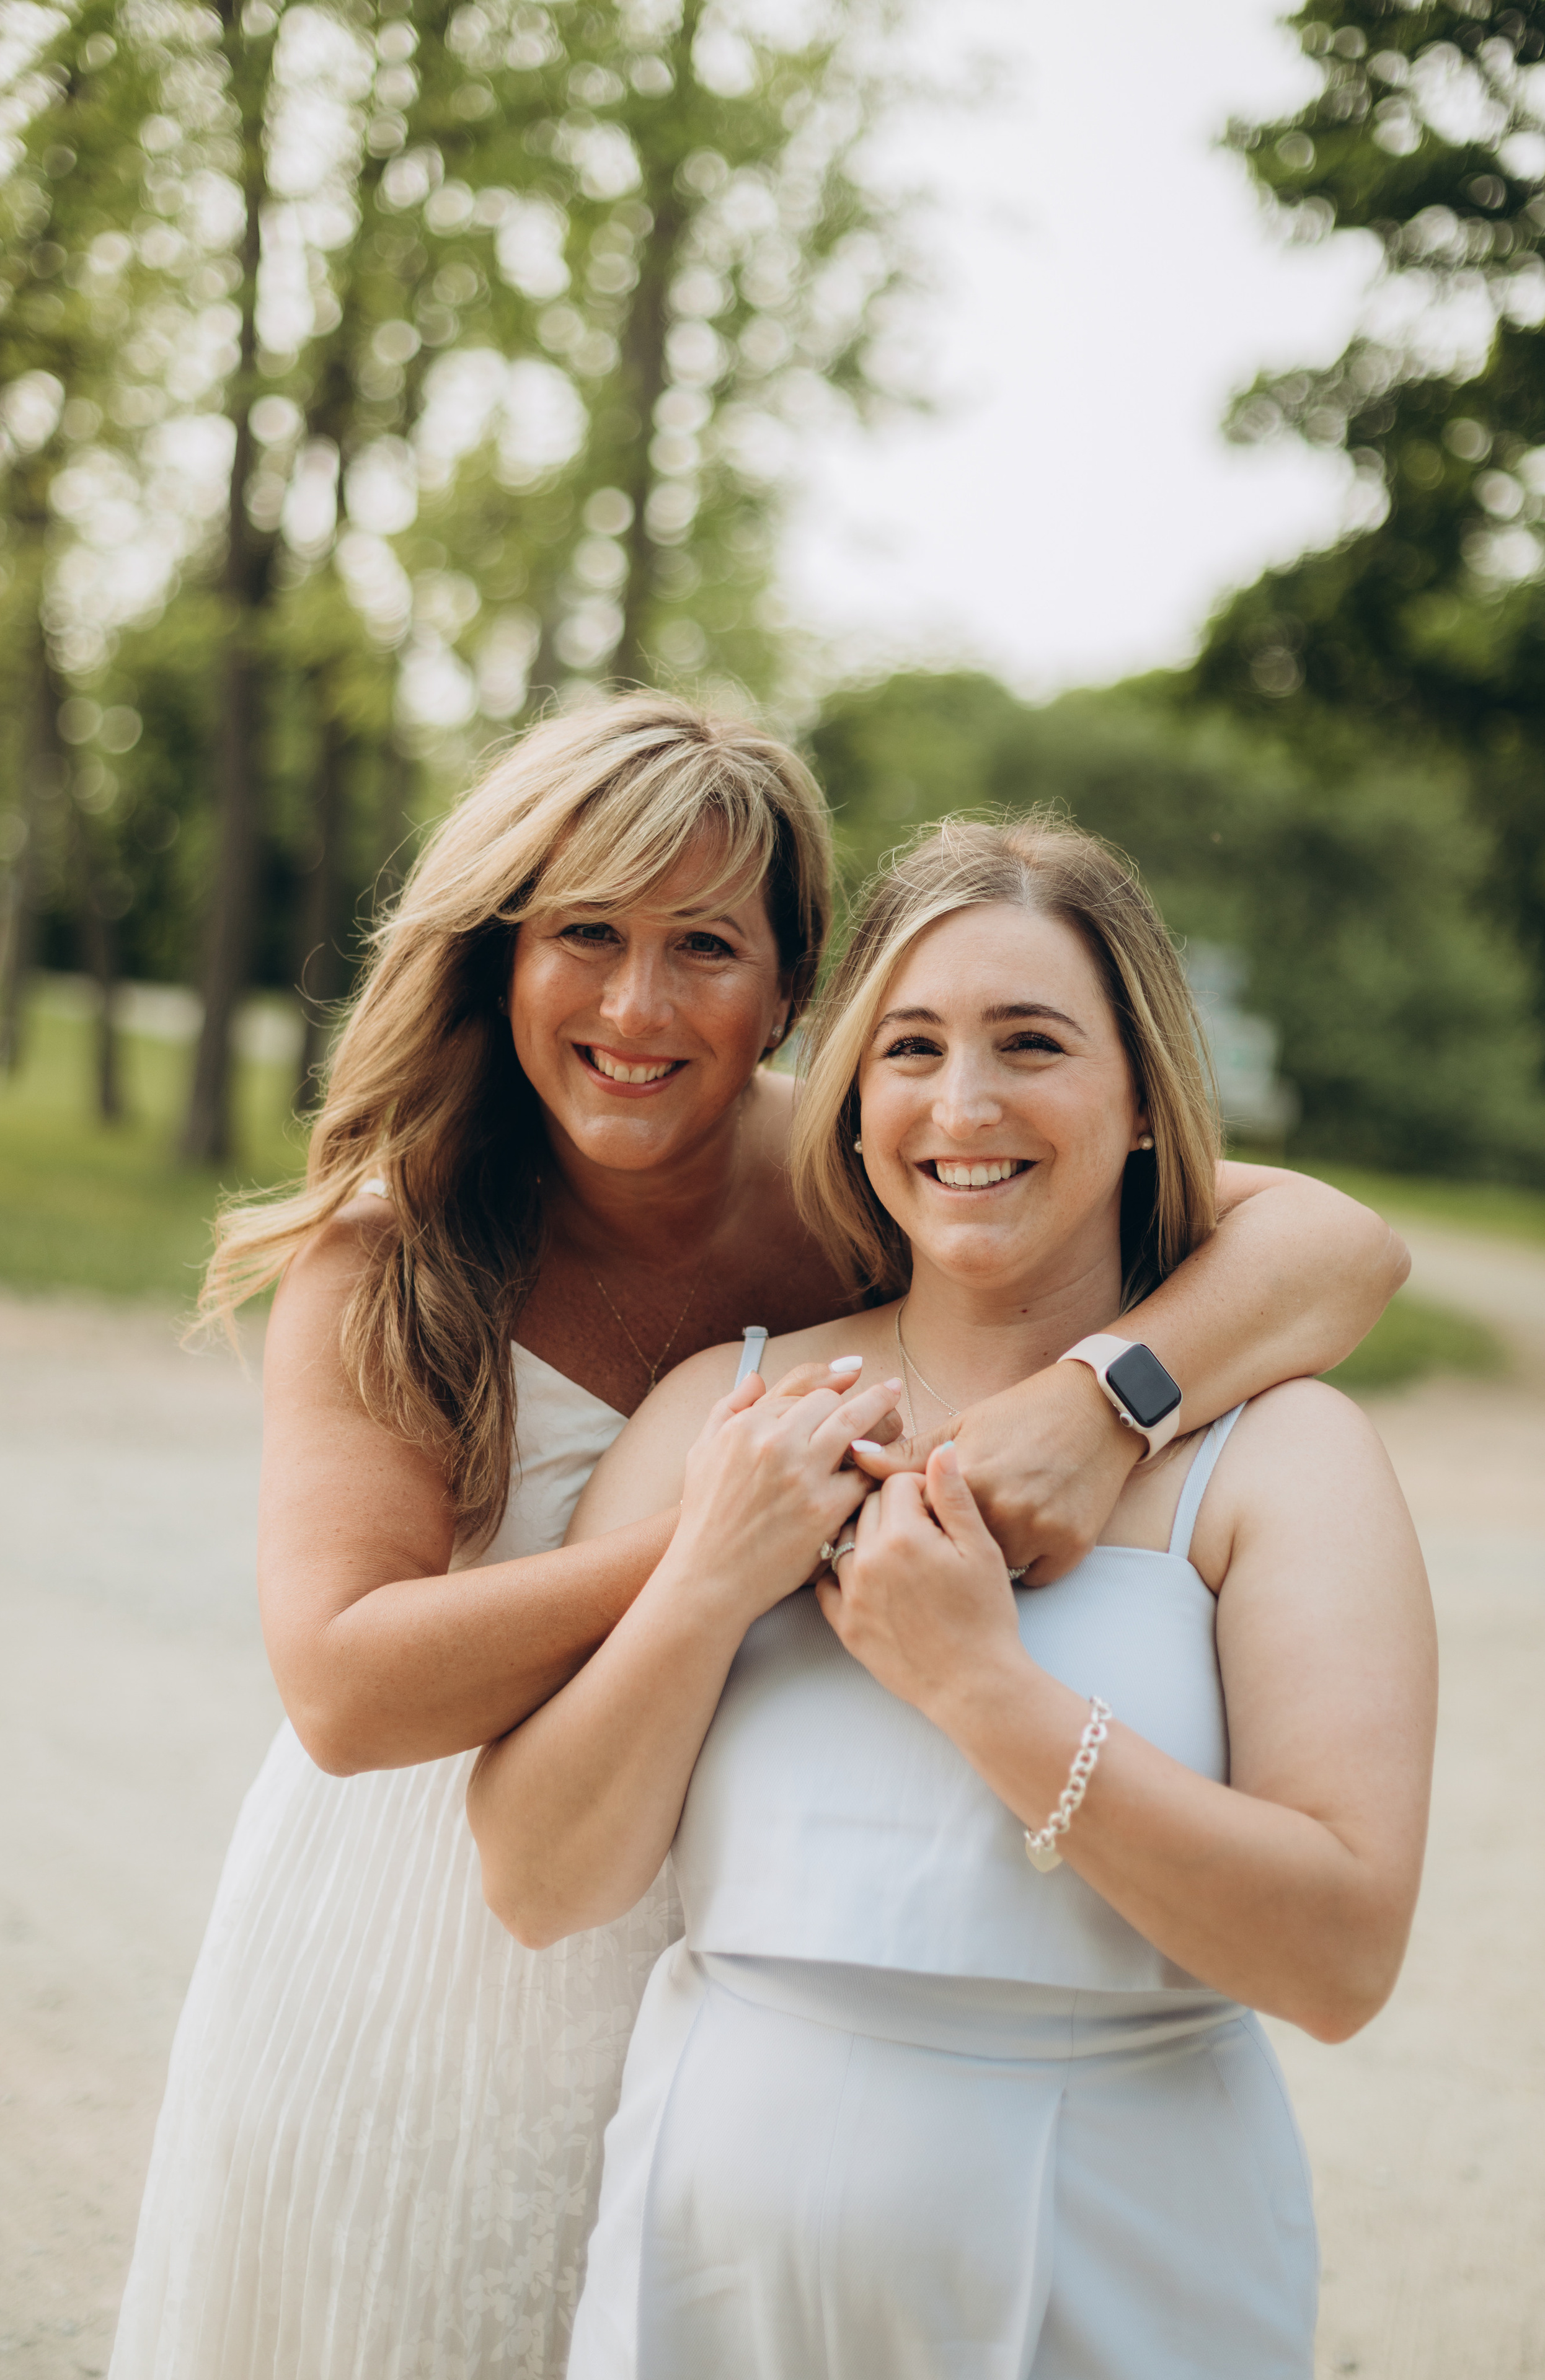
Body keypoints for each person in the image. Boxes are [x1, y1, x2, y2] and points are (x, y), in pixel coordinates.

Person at [112, 703, 1407, 2380]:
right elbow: (350, 1698)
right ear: (500, 958)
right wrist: (712, 1549)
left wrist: (1100, 1408)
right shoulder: (404, 1258)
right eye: (584, 934)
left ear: (790, 988)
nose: (637, 1007)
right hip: (420, 1930)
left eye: (702, 946)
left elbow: (1339, 1245)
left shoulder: (877, 1162)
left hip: (719, 1959)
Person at [470, 813, 1437, 2379]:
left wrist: (982, 1690)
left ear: (1140, 1106)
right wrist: (711, 1580)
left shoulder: (1278, 1461)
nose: (963, 1104)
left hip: (1116, 2260)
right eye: (910, 1048)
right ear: (852, 1104)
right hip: (711, 2267)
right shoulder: (720, 1412)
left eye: (1031, 1043)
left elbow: (1337, 1961)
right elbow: (537, 1882)